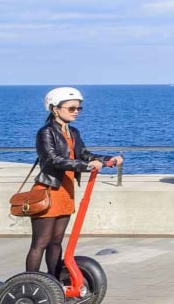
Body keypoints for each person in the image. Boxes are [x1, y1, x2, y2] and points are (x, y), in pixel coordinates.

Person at [27, 88, 122, 275]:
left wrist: (107, 159)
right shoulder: (45, 132)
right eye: (71, 108)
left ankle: (52, 281)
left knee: (56, 241)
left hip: (66, 190)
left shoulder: (73, 132)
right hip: (49, 189)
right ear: (55, 109)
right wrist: (86, 166)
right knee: (41, 242)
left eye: (79, 108)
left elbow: (85, 155)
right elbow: (53, 159)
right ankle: (31, 282)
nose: (76, 111)